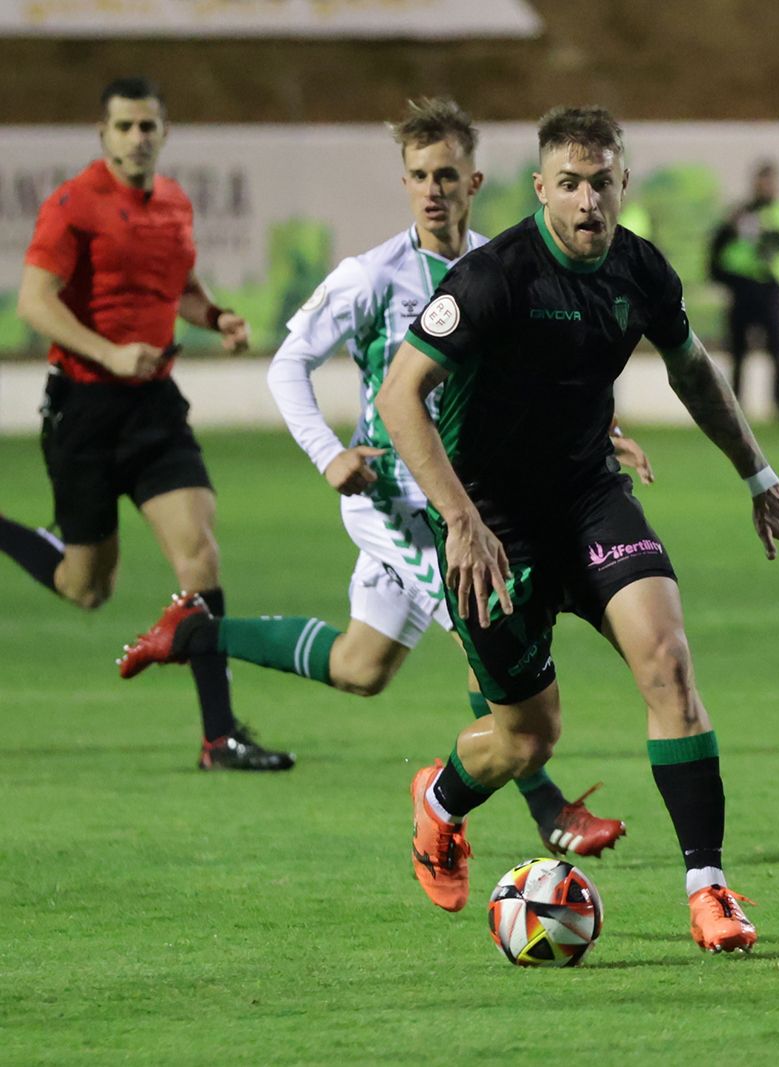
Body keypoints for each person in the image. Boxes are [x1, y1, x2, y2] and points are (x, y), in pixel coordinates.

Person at [374, 106, 779, 949]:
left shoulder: (641, 270)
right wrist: (460, 518)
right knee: (528, 736)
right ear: (540, 190)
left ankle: (710, 888)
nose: (588, 201)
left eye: (602, 183)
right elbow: (396, 394)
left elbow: (694, 372)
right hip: (493, 523)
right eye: (570, 185)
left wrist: (760, 477)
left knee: (668, 662)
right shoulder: (493, 278)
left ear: (623, 183)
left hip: (592, 498)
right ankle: (440, 800)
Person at [116, 99, 630, 856]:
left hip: (471, 499)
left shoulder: (501, 268)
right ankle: (546, 809)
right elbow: (289, 364)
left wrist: (607, 438)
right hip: (396, 500)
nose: (433, 189)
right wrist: (329, 452)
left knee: (361, 666)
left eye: (448, 174)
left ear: (476, 180)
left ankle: (197, 631)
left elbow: (535, 385)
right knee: (482, 624)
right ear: (405, 182)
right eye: (420, 175)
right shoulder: (370, 276)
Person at [0, 75, 292, 771]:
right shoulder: (73, 205)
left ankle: (219, 737)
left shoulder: (174, 203)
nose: (137, 137)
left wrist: (215, 314)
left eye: (148, 126)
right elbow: (35, 303)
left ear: (164, 132)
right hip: (84, 408)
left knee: (200, 555)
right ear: (103, 136)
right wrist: (107, 352)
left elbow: (180, 290)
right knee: (86, 586)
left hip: (156, 407)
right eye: (124, 126)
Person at [708, 160, 779, 421]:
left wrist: (763, 234)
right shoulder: (740, 212)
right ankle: (735, 408)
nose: (765, 187)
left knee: (777, 350)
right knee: (738, 351)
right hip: (744, 287)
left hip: (771, 286)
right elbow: (719, 245)